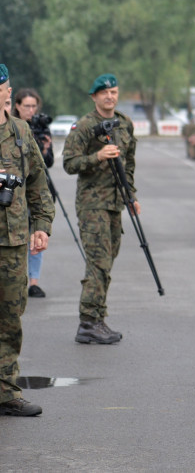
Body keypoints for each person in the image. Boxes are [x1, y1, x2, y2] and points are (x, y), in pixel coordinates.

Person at [63, 73, 138, 345]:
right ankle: (87, 322)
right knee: (98, 261)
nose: (110, 97)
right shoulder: (83, 126)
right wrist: (97, 156)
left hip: (115, 203)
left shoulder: (124, 124)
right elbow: (69, 164)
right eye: (104, 93)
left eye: (114, 92)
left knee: (108, 260)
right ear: (94, 96)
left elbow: (128, 164)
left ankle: (98, 318)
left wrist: (131, 195)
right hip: (92, 203)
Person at [0, 64, 54, 416]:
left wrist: (42, 225)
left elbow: (37, 183)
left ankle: (6, 391)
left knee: (9, 319)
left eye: (4, 86)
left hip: (13, 241)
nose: (4, 92)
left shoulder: (20, 131)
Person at [13, 88, 53, 298]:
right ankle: (15, 280)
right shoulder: (11, 129)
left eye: (33, 106)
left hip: (35, 193)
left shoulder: (40, 129)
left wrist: (45, 149)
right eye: (26, 106)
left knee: (36, 235)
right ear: (17, 106)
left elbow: (46, 165)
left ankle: (34, 281)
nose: (30, 110)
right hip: (15, 194)